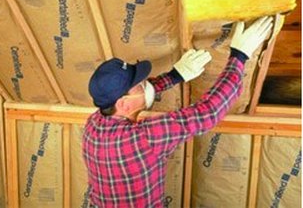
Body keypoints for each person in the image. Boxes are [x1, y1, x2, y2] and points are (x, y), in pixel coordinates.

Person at [82, 16, 273, 208]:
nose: (146, 84)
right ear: (123, 104)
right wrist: (239, 56)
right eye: (139, 84)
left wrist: (175, 76)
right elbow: (208, 112)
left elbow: (142, 93)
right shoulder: (145, 138)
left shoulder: (93, 124)